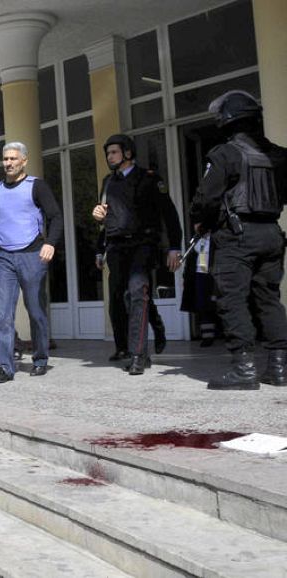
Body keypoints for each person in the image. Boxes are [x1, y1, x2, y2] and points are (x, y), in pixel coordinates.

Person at [190, 90, 287, 390]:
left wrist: (200, 221)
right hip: (271, 233)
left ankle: (244, 369)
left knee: (232, 300)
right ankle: (279, 369)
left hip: (237, 235)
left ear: (227, 122)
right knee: (269, 298)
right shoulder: (280, 155)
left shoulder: (224, 154)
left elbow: (205, 198)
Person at [91, 134, 182, 375]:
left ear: (128, 153)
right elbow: (106, 218)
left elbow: (169, 214)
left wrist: (174, 246)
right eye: (107, 153)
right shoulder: (108, 182)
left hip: (143, 244)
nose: (109, 157)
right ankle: (146, 331)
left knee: (137, 293)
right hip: (116, 246)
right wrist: (100, 246)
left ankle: (138, 355)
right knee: (119, 298)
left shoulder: (149, 179)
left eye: (114, 152)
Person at [0, 142, 64, 382]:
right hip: (4, 257)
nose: (8, 163)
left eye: (13, 158)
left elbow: (56, 217)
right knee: (1, 315)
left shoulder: (36, 186)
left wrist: (51, 243)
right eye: (5, 158)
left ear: (24, 161)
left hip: (33, 254)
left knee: (35, 310)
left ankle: (40, 358)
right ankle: (4, 367)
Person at [95, 230, 168, 360]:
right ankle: (122, 348)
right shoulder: (111, 221)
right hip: (117, 256)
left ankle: (157, 329)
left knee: (140, 298)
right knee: (116, 304)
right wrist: (99, 253)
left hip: (138, 251)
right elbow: (105, 230)